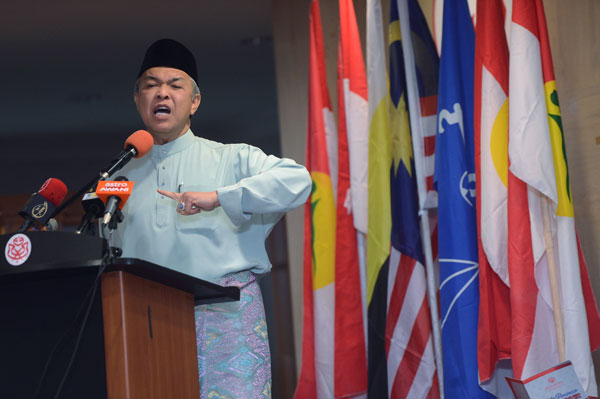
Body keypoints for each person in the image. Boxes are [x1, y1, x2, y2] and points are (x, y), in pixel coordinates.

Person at [112, 38, 311, 398]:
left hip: (226, 320)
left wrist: (220, 197)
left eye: (175, 85)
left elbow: (298, 181)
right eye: (151, 85)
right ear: (137, 98)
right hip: (148, 322)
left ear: (194, 102)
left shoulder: (231, 159)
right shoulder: (117, 178)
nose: (162, 94)